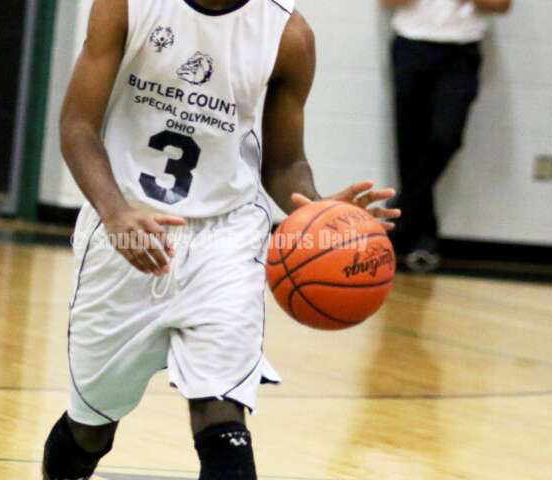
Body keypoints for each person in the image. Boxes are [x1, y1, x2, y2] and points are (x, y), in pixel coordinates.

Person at [42, 0, 400, 479]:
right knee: (91, 427)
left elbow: (284, 163)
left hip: (225, 236)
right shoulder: (127, 6)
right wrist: (116, 213)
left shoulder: (288, 34)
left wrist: (318, 210)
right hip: (125, 227)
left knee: (222, 413)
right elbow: (77, 125)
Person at [381, 0, 511, 272]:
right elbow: (388, 2)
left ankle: (399, 214)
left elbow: (501, 4)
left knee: (446, 137)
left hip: (461, 52)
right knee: (410, 145)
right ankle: (423, 239)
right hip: (411, 44)